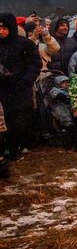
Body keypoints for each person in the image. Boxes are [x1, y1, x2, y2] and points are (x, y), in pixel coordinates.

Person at [0, 13, 42, 162]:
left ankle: (15, 148)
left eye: (4, 28)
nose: (1, 32)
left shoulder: (25, 44)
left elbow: (34, 65)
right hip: (2, 90)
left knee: (18, 121)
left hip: (20, 89)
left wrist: (25, 81)